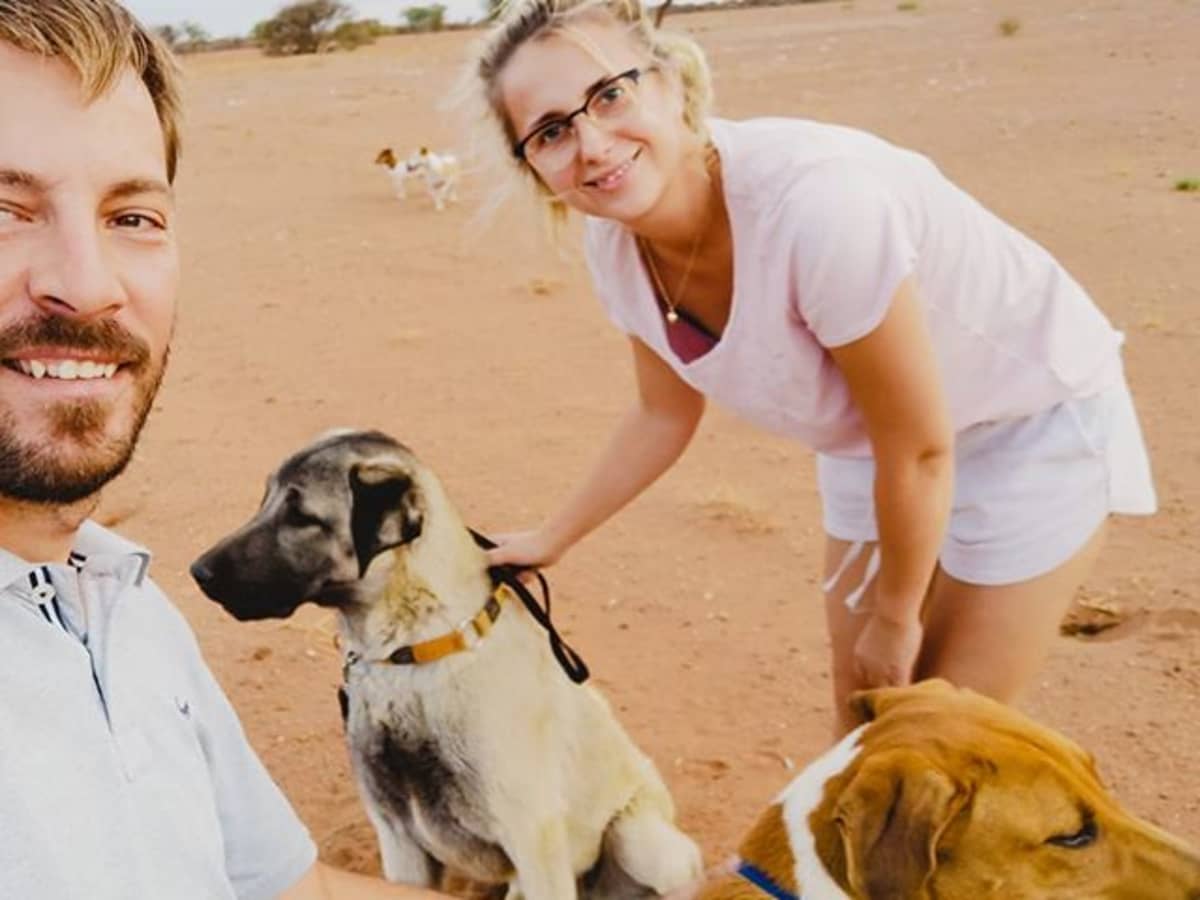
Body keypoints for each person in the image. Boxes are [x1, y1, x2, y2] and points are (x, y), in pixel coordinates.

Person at [466, 0, 1157, 734]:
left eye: (609, 95)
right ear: (534, 166)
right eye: (551, 131)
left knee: (937, 739)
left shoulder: (818, 206)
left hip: (1025, 420)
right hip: (876, 444)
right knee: (862, 725)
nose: (594, 144)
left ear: (668, 85)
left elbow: (920, 449)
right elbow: (664, 412)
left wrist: (895, 616)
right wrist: (554, 536)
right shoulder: (616, 246)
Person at [0, 2, 451, 897]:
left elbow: (291, 889)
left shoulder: (120, 608)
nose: (88, 286)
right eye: (3, 208)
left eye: (133, 217)